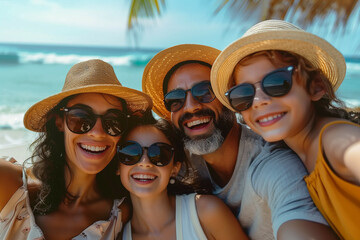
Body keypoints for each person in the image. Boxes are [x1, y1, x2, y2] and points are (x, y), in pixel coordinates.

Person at [142, 44, 338, 239]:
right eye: (175, 99)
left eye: (204, 91)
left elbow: (297, 215)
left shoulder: (272, 163)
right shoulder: (177, 164)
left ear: (232, 99)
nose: (191, 107)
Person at [210, 19, 360, 240]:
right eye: (243, 95)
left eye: (277, 82)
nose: (259, 101)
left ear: (316, 86)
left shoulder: (335, 141)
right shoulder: (299, 152)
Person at [0, 59, 153, 240]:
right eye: (81, 118)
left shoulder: (122, 215)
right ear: (59, 122)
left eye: (113, 121)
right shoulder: (8, 183)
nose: (97, 132)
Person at [116, 116, 248, 240]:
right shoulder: (115, 235)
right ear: (117, 166)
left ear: (175, 168)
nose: (144, 162)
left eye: (160, 153)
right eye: (130, 152)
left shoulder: (207, 212)